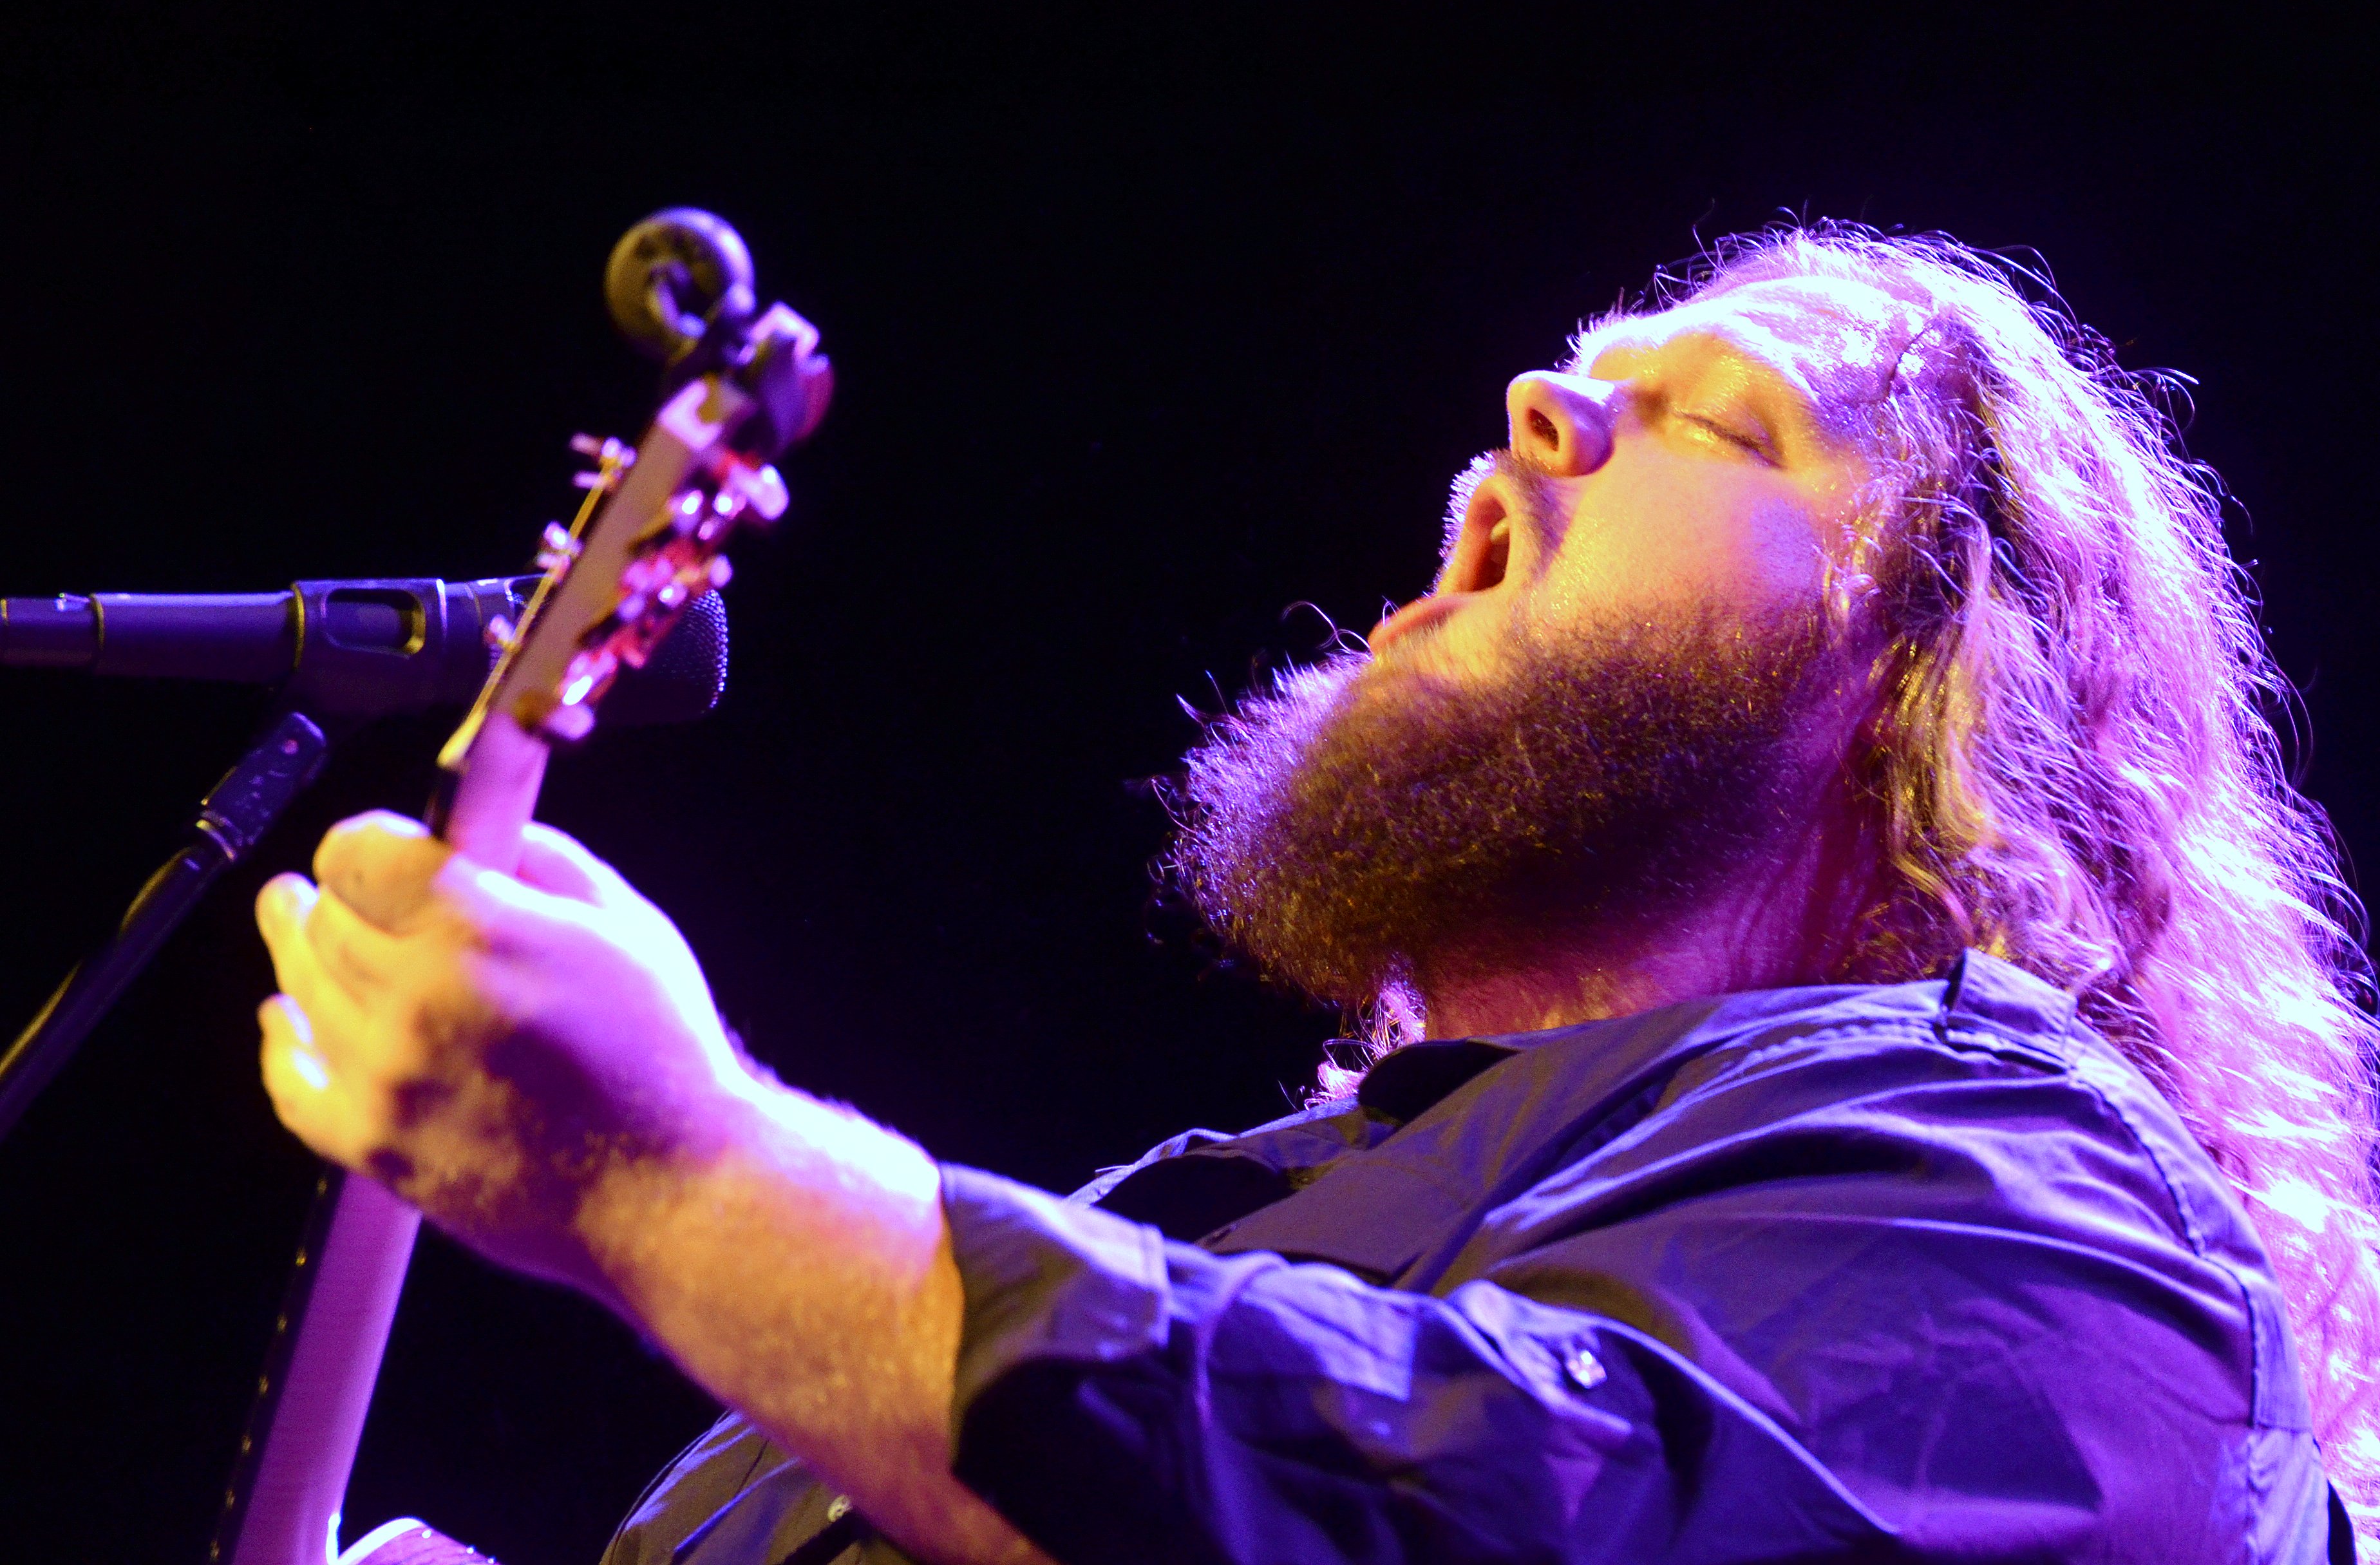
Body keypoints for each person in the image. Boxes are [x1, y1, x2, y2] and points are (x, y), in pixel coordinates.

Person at [251, 225, 2379, 1564]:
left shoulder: (2045, 1217)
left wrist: (679, 1185)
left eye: (1721, 428)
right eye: (1577, 374)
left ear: (1934, 679)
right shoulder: (1191, 1219)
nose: (1534, 412)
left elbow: (1478, 1517)